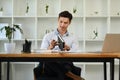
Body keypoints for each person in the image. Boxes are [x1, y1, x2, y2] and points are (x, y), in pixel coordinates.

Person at [40, 11, 84, 80]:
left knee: (65, 65)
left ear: (69, 22)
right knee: (49, 61)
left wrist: (68, 49)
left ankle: (67, 74)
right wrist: (50, 47)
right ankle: (70, 75)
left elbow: (76, 53)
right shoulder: (48, 36)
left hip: (66, 63)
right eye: (61, 22)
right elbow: (41, 53)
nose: (62, 25)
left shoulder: (73, 37)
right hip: (50, 64)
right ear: (58, 20)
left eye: (65, 23)